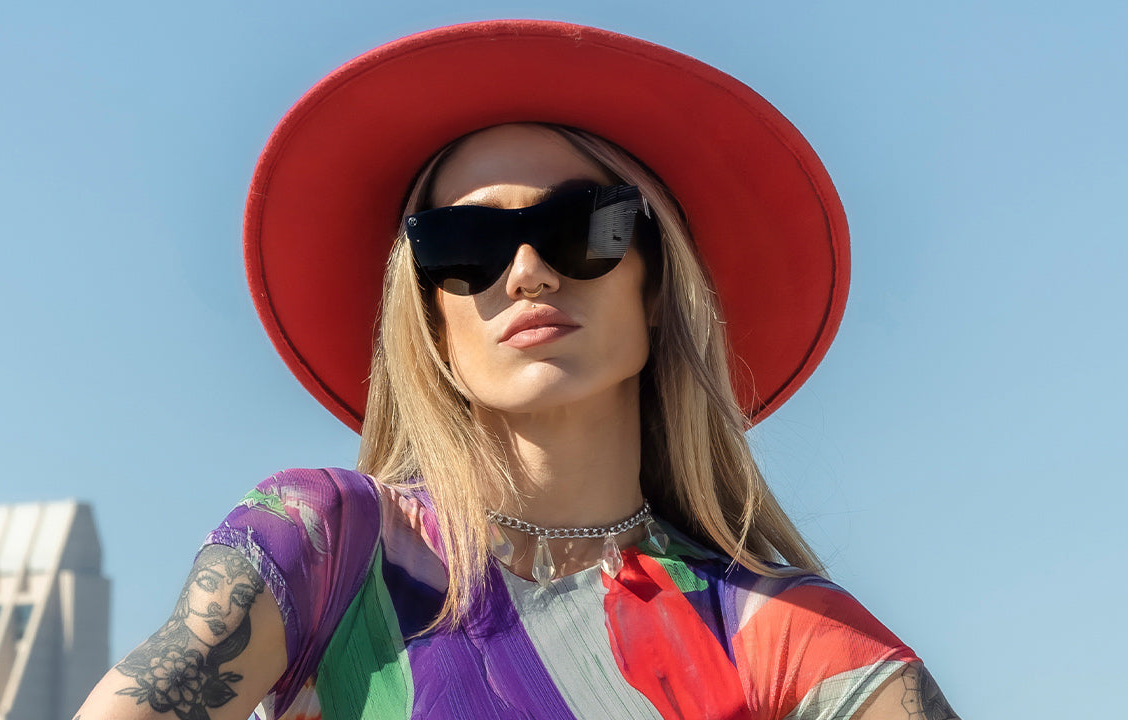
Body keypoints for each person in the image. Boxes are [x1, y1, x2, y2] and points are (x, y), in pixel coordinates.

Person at [78, 20, 959, 720]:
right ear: (429, 320)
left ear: (657, 287)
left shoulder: (783, 631)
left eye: (582, 227)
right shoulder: (324, 545)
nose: (528, 273)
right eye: (466, 245)